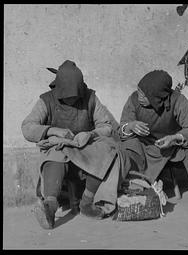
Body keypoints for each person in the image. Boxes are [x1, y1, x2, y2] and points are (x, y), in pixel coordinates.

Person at [21, 60, 120, 229]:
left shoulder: (90, 98)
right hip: (61, 148)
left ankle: (87, 204)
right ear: (59, 90)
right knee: (56, 154)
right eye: (67, 96)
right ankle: (50, 207)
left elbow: (106, 126)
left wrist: (90, 134)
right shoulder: (46, 100)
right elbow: (27, 128)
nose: (73, 99)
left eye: (75, 96)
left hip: (85, 147)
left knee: (107, 149)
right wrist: (53, 131)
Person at [119, 70, 188, 216]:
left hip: (173, 146)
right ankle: (129, 188)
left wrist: (174, 138)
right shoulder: (133, 100)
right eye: (138, 91)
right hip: (146, 147)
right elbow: (122, 128)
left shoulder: (177, 100)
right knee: (128, 146)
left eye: (144, 94)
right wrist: (131, 126)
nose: (140, 96)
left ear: (156, 96)